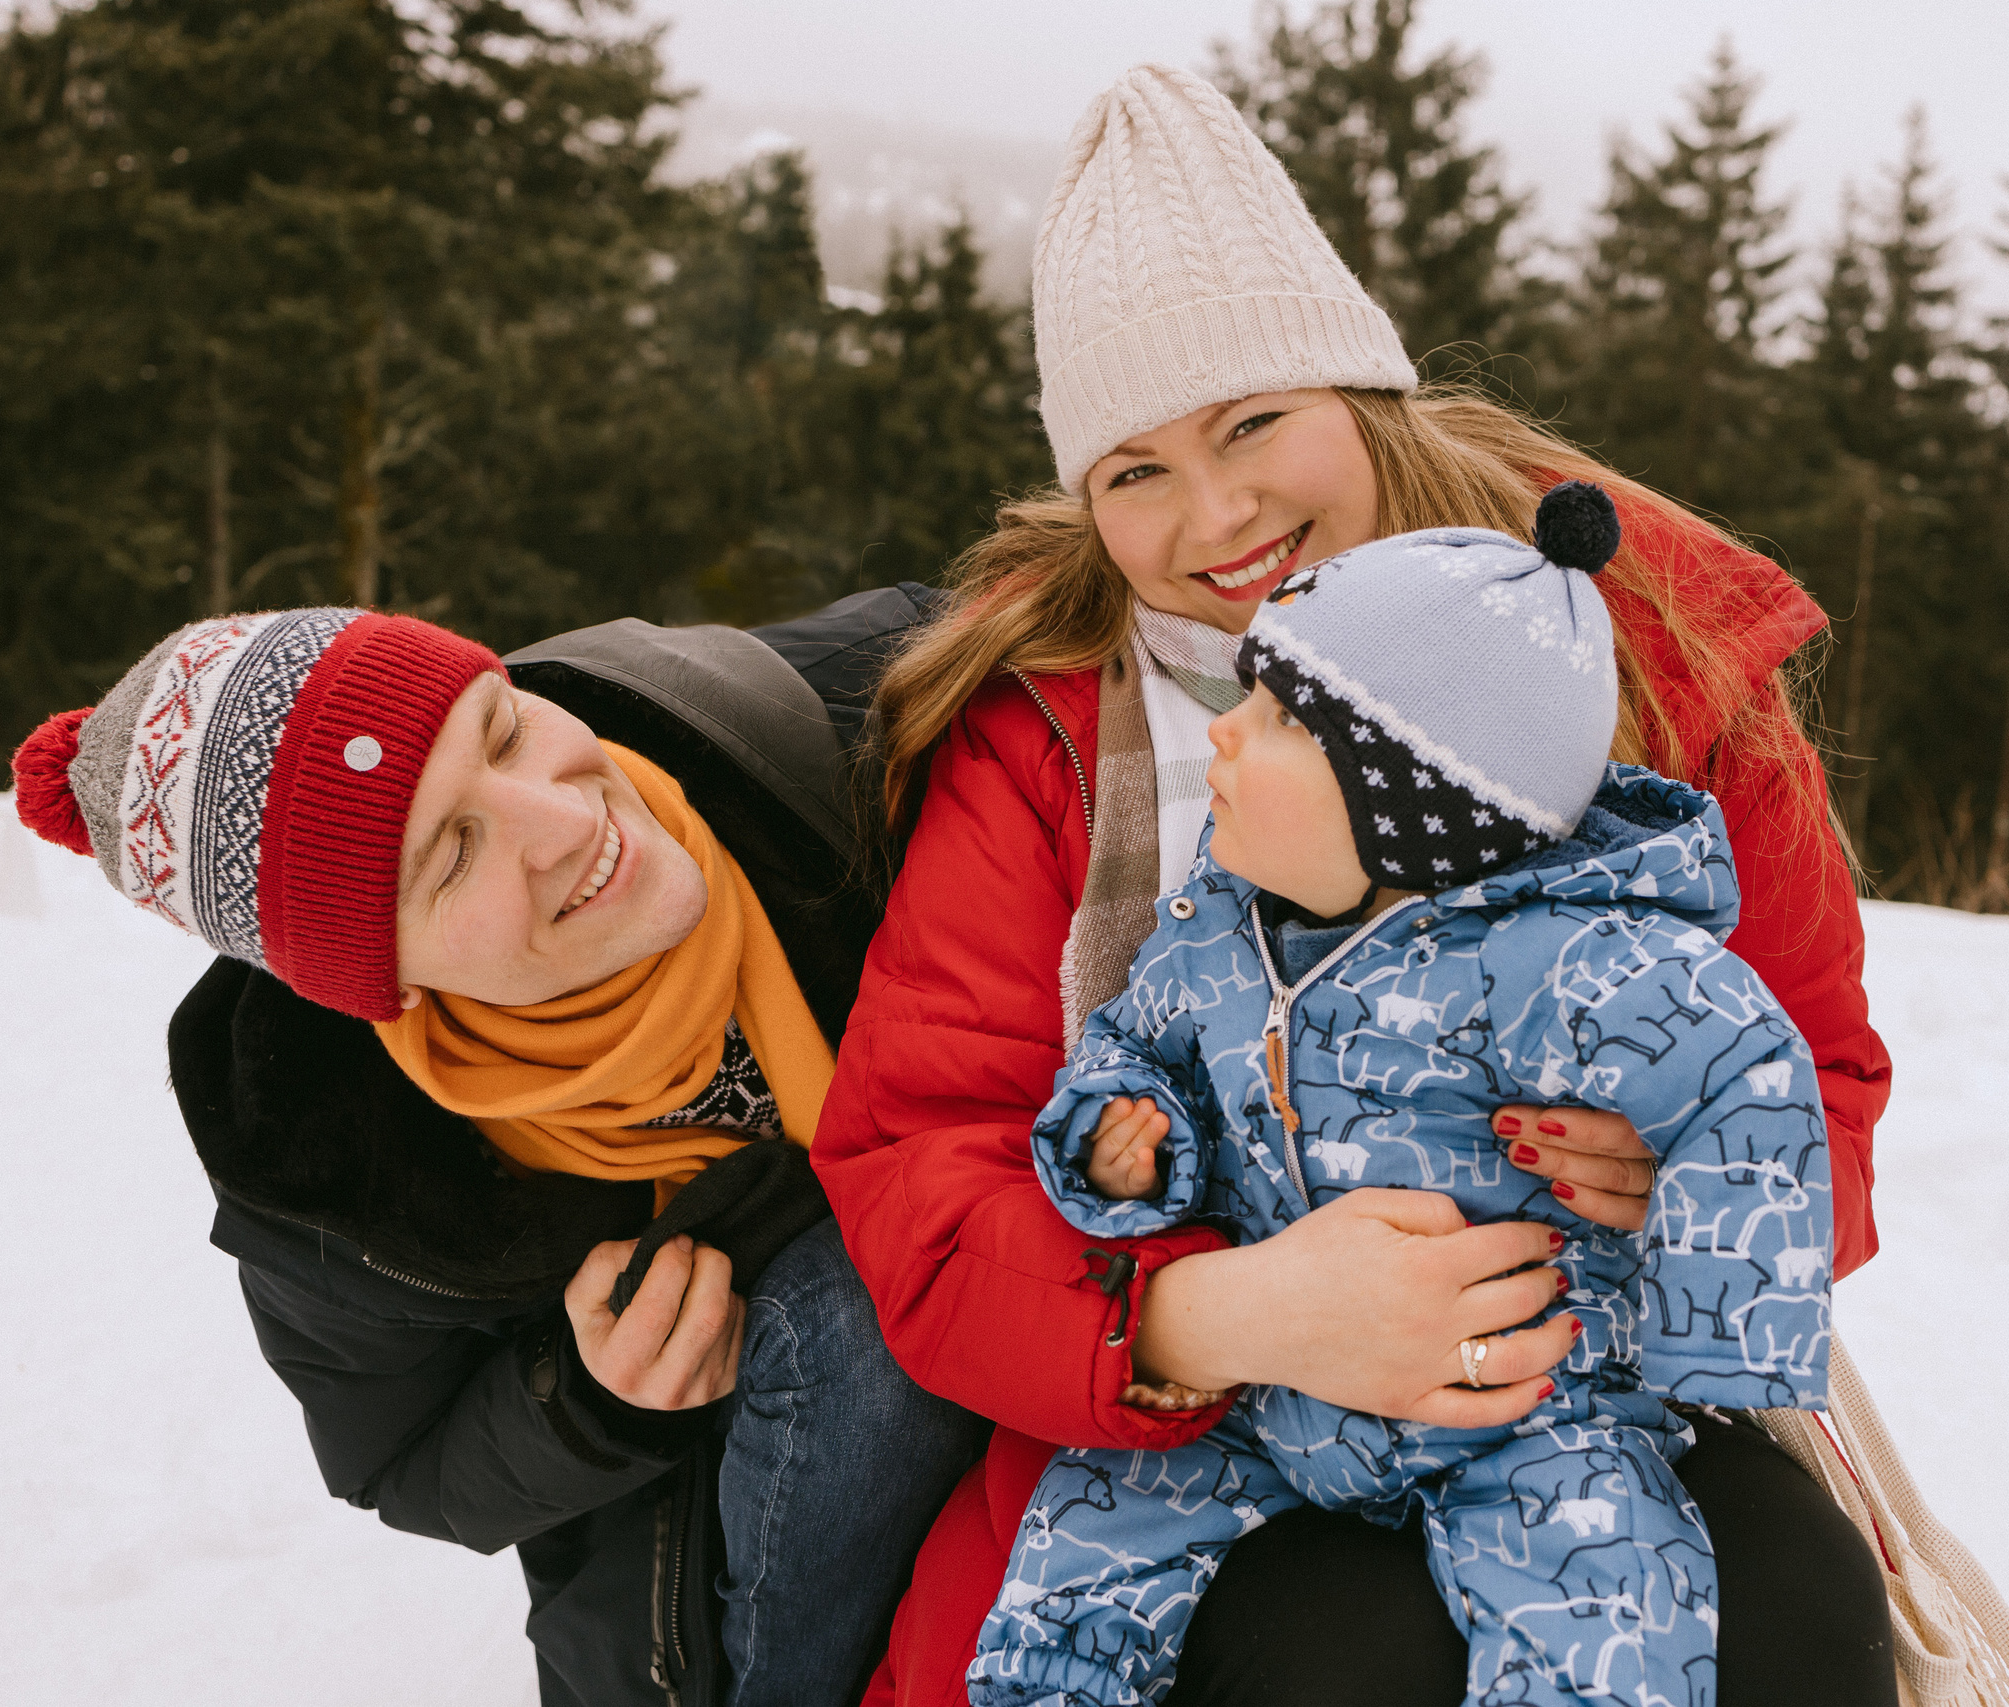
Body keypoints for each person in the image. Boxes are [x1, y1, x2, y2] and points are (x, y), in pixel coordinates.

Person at [811, 65, 1896, 1707]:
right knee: (1351, 1661)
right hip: (1201, 1414)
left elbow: (1812, 1075)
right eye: (1135, 471)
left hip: (1581, 1377)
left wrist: (1665, 1175)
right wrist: (1214, 1309)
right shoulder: (1054, 731)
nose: (1219, 513)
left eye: (1253, 422)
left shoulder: (1624, 643)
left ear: (1360, 387)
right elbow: (924, 1164)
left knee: (1787, 1607)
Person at [9, 598, 987, 1707]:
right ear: (380, 980)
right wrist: (590, 1403)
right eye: (452, 856)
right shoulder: (334, 1165)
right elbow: (401, 1463)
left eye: (504, 730)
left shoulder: (856, 708)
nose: (562, 818)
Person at [967, 494, 1836, 1707]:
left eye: (1280, 718)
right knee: (1083, 1548)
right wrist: (1128, 1140)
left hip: (1525, 1409)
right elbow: (1134, 1043)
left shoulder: (1562, 961)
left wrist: (1718, 1342)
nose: (1226, 733)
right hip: (1267, 1399)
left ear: (1409, 804)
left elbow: (1749, 1073)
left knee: (1605, 1609)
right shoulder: (1220, 929)